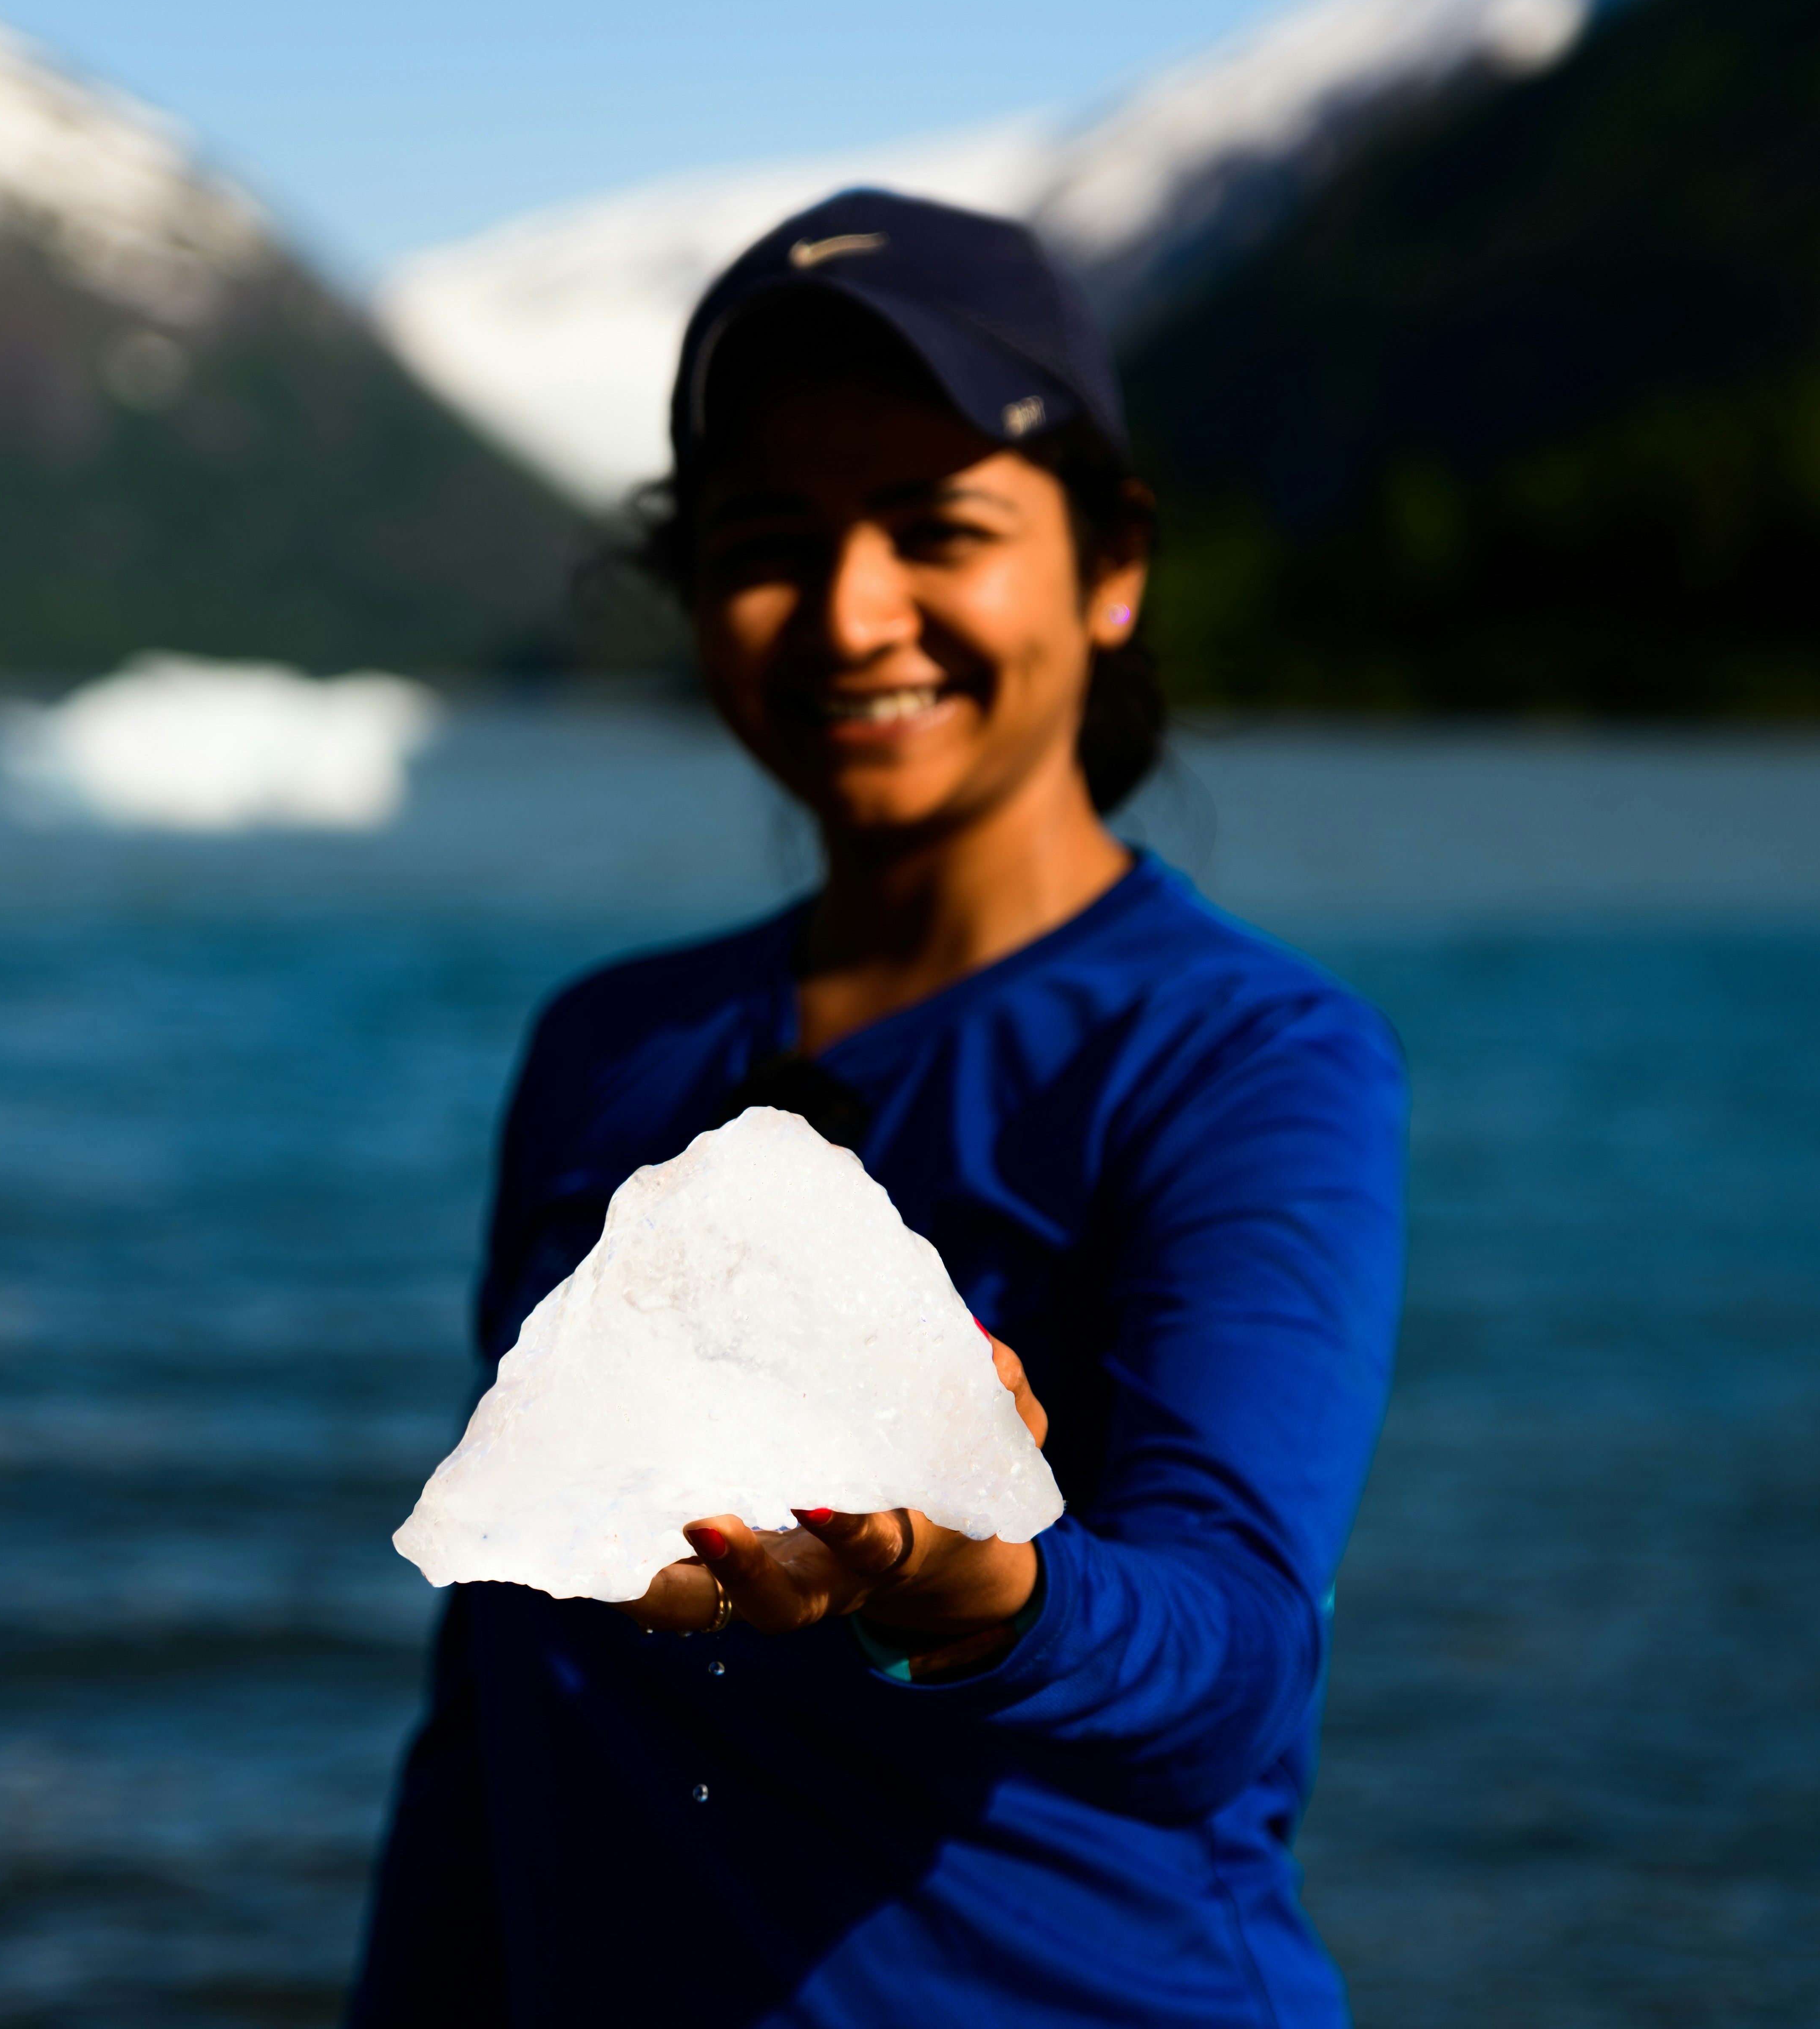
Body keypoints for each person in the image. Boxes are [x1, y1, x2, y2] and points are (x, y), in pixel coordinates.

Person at [347, 190, 1406, 2028]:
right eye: (771, 540)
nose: (851, 614)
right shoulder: (610, 1046)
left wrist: (990, 1596)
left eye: (940, 529)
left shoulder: (1242, 1056)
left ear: (1110, 562)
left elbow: (1234, 1660)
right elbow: (500, 1704)